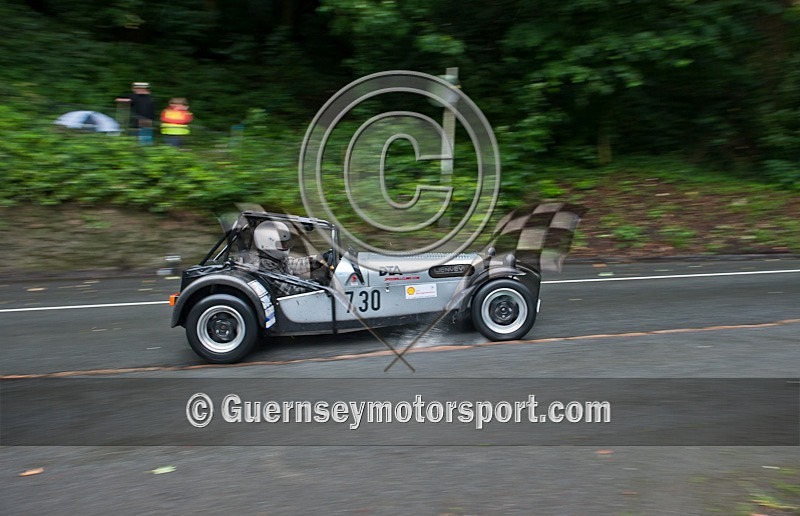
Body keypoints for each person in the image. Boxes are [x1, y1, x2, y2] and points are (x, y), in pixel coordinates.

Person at [252, 221, 325, 297]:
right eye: (282, 244)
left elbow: (294, 264)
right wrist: (318, 283)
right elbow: (291, 290)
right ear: (266, 244)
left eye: (287, 243)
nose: (286, 247)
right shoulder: (264, 267)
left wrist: (319, 260)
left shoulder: (275, 259)